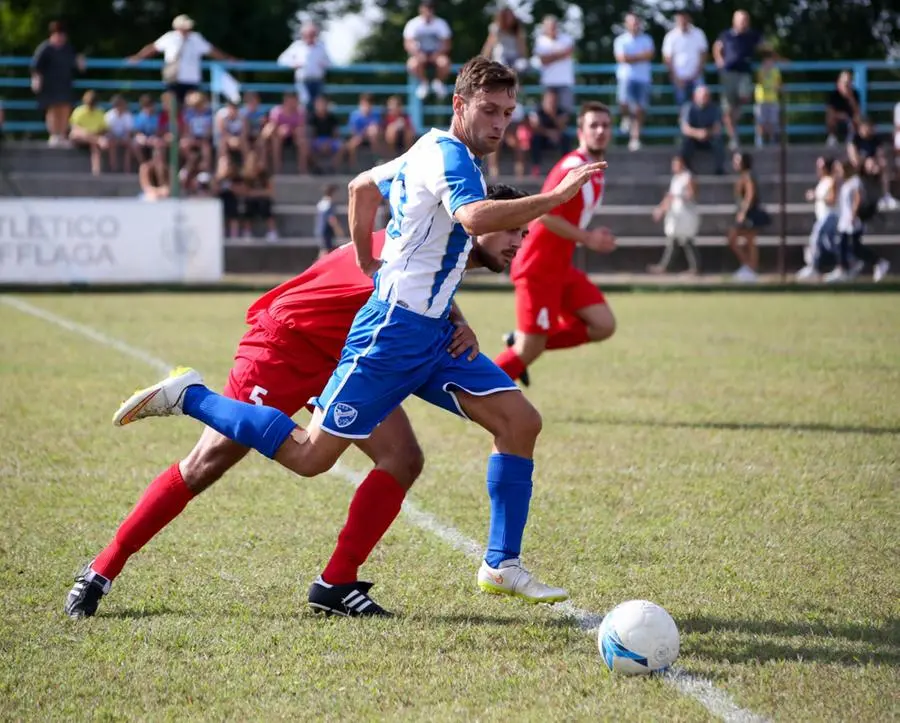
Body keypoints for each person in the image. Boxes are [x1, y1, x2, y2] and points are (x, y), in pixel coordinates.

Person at [104, 57, 606, 616]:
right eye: (490, 110)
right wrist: (556, 198)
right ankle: (190, 397)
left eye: (508, 114)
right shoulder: (450, 159)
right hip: (363, 337)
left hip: (427, 336)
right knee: (306, 458)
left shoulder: (429, 154)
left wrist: (390, 275)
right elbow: (469, 218)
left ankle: (497, 563)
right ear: (460, 105)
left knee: (519, 422)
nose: (500, 124)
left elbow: (362, 185)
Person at [64, 182, 529, 620]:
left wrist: (458, 320)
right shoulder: (424, 242)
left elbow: (426, 289)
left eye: (524, 231)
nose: (519, 240)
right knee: (209, 461)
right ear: (476, 220)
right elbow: (399, 279)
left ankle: (336, 585)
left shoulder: (439, 246)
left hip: (348, 353)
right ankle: (102, 567)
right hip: (285, 341)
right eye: (511, 226)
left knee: (401, 458)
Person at [495, 101, 617, 389]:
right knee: (529, 349)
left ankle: (520, 341)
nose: (600, 131)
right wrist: (587, 238)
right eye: (593, 125)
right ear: (580, 132)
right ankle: (472, 393)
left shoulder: (594, 169)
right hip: (538, 267)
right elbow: (545, 212)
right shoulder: (572, 166)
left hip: (560, 267)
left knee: (603, 325)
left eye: (605, 125)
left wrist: (588, 234)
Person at [129, 15, 234, 107]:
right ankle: (175, 128)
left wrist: (228, 59)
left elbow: (211, 51)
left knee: (193, 104)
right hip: (173, 79)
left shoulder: (196, 38)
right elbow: (153, 48)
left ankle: (186, 128)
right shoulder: (170, 37)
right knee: (172, 106)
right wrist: (138, 57)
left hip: (191, 80)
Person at [712, 10, 771, 150]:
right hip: (728, 74)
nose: (743, 22)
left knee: (743, 100)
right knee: (727, 110)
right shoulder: (726, 35)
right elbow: (717, 47)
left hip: (744, 73)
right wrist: (719, 60)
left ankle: (736, 124)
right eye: (741, 20)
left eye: (745, 20)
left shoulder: (752, 35)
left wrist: (767, 60)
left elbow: (766, 47)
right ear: (734, 21)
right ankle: (733, 138)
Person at [826, 159, 890, 283]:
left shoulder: (855, 181)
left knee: (855, 247)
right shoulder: (845, 182)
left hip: (852, 220)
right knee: (843, 246)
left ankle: (878, 262)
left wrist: (853, 215)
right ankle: (843, 269)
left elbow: (858, 198)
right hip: (844, 221)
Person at [31, 20, 85, 147]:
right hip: (50, 84)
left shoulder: (68, 48)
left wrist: (80, 62)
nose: (61, 38)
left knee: (65, 109)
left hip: (65, 83)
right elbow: (36, 67)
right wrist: (36, 79)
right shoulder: (45, 48)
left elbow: (76, 62)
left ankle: (62, 134)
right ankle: (54, 135)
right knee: (53, 110)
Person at [649, 155, 700, 275]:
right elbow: (669, 197)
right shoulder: (676, 178)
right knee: (673, 240)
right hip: (676, 214)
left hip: (686, 213)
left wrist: (679, 197)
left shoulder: (687, 177)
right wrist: (661, 209)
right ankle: (665, 266)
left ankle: (695, 267)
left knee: (686, 240)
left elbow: (692, 194)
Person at [613, 13, 655, 152]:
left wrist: (631, 57)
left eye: (636, 22)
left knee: (639, 109)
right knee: (623, 102)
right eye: (631, 22)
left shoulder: (647, 39)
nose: (634, 25)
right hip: (626, 77)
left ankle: (635, 138)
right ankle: (625, 118)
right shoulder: (620, 40)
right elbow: (621, 58)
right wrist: (641, 56)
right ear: (626, 24)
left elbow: (649, 55)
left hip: (643, 78)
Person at [727, 151, 770, 282]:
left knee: (740, 239)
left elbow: (750, 195)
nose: (735, 163)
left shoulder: (748, 176)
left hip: (750, 213)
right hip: (747, 212)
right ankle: (749, 267)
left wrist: (743, 212)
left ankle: (750, 268)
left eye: (737, 161)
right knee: (747, 241)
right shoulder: (743, 176)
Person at [796, 156, 839, 281]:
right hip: (822, 217)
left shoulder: (832, 181)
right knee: (830, 244)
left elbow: (832, 200)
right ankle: (849, 261)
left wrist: (817, 196)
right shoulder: (823, 181)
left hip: (829, 216)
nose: (818, 169)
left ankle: (813, 267)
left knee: (815, 239)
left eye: (821, 166)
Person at [403, 0, 453, 100]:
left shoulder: (441, 23)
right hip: (419, 55)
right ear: (421, 9)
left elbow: (447, 44)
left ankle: (438, 83)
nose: (428, 11)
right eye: (426, 8)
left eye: (430, 9)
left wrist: (437, 54)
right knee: (412, 65)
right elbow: (407, 44)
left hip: (437, 55)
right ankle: (424, 83)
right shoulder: (413, 24)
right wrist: (418, 54)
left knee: (445, 63)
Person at [847, 118, 899, 211]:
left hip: (873, 165)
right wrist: (866, 162)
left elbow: (880, 154)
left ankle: (886, 196)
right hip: (859, 167)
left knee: (884, 164)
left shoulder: (875, 139)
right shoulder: (854, 139)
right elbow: (854, 160)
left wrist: (876, 162)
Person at [277, 22, 331, 111]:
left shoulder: (321, 47)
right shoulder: (297, 46)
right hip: (302, 81)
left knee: (318, 105)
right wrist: (293, 64)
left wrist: (324, 64)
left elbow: (330, 62)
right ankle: (305, 124)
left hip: (318, 81)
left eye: (313, 34)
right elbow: (281, 60)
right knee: (305, 103)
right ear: (303, 35)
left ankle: (313, 124)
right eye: (309, 34)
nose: (311, 36)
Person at [662, 11, 708, 109]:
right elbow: (667, 58)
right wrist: (675, 77)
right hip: (679, 77)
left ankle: (699, 124)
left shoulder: (698, 33)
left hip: (696, 77)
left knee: (701, 105)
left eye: (684, 18)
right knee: (682, 106)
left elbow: (703, 54)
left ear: (689, 19)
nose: (682, 21)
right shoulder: (670, 36)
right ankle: (684, 124)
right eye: (680, 18)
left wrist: (697, 73)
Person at [532, 15, 576, 114]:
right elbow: (543, 60)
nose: (552, 28)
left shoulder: (567, 38)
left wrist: (550, 56)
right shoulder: (540, 41)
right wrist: (560, 54)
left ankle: (560, 129)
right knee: (548, 112)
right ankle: (553, 130)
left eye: (554, 25)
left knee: (565, 112)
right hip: (548, 83)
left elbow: (568, 52)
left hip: (565, 82)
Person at [679, 85, 725, 175]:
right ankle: (686, 169)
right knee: (686, 143)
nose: (704, 98)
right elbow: (685, 128)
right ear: (695, 96)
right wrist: (698, 133)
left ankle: (719, 169)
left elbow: (717, 128)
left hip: (708, 138)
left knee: (718, 141)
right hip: (693, 138)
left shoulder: (714, 108)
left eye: (706, 96)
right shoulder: (688, 107)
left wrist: (706, 133)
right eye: (702, 96)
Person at [262, 92, 309, 174]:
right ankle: (277, 168)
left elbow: (301, 127)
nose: (292, 104)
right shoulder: (277, 111)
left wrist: (292, 130)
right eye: (290, 101)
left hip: (293, 136)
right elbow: (272, 126)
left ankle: (302, 169)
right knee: (276, 140)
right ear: (285, 101)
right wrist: (281, 130)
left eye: (294, 101)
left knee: (302, 141)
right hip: (278, 136)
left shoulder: (300, 112)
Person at [528, 89, 570, 173]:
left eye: (554, 99)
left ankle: (567, 166)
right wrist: (548, 133)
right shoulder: (537, 111)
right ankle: (536, 166)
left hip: (556, 136)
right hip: (543, 136)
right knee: (535, 139)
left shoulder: (561, 111)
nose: (552, 101)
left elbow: (562, 127)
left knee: (566, 138)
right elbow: (534, 128)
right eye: (550, 99)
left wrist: (553, 115)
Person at [69, 90, 108, 176]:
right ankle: (97, 140)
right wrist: (91, 135)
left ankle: (96, 172)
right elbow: (74, 128)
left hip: (93, 139)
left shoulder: (99, 112)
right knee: (80, 133)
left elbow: (103, 129)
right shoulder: (78, 111)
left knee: (95, 147)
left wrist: (94, 135)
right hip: (79, 138)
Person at [240, 151, 277, 242]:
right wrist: (259, 193)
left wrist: (256, 193)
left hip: (263, 199)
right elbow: (245, 192)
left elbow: (270, 191)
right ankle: (247, 231)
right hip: (251, 199)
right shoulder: (246, 176)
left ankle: (272, 231)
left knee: (265, 205)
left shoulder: (264, 174)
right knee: (249, 205)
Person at [481, 7, 529, 72]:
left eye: (511, 16)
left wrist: (523, 58)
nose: (510, 19)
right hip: (501, 56)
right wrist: (483, 60)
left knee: (522, 65)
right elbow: (489, 45)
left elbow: (522, 47)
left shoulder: (517, 29)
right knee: (500, 64)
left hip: (514, 57)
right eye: (508, 16)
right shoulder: (497, 28)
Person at [308, 95, 345, 174]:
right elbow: (311, 134)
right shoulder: (312, 118)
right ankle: (317, 167)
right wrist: (320, 144)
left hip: (330, 140)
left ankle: (332, 168)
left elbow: (336, 134)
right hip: (316, 141)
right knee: (307, 146)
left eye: (323, 103)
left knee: (341, 146)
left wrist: (328, 142)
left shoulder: (332, 118)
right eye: (319, 104)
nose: (321, 106)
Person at [346, 94, 383, 169]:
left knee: (375, 137)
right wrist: (364, 133)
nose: (366, 107)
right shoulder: (355, 116)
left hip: (371, 138)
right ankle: (352, 166)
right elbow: (353, 132)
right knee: (353, 144)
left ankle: (377, 160)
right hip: (359, 137)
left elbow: (378, 130)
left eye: (369, 104)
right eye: (364, 104)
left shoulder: (375, 115)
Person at [753, 51, 781, 147]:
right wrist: (765, 72)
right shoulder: (760, 70)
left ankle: (772, 140)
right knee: (760, 121)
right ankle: (759, 140)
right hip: (761, 100)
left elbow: (778, 84)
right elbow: (759, 81)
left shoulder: (776, 71)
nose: (768, 63)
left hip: (773, 100)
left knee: (772, 122)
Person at [181, 91, 214, 172]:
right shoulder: (189, 114)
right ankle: (191, 161)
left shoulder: (209, 113)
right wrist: (191, 138)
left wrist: (203, 138)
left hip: (204, 138)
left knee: (205, 146)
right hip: (193, 137)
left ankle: (206, 168)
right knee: (183, 144)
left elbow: (209, 130)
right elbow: (187, 129)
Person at [825, 71, 860, 146]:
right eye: (845, 83)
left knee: (857, 119)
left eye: (849, 82)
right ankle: (832, 137)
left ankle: (853, 141)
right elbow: (830, 112)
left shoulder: (855, 94)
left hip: (850, 119)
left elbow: (857, 111)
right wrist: (841, 116)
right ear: (839, 83)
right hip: (838, 119)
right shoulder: (834, 95)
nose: (846, 85)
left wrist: (851, 98)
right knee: (830, 118)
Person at [103, 94, 135, 173]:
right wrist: (115, 138)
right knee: (112, 143)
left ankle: (127, 169)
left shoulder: (127, 115)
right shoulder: (109, 115)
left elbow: (129, 131)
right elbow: (107, 130)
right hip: (112, 138)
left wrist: (125, 139)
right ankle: (114, 168)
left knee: (129, 144)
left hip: (123, 138)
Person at [215, 154, 244, 238]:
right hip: (219, 201)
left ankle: (234, 235)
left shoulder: (236, 177)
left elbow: (242, 190)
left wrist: (231, 187)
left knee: (232, 209)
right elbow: (213, 190)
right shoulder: (217, 178)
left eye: (227, 164)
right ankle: (220, 235)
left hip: (232, 200)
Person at [315, 183, 344, 259]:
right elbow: (331, 219)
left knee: (323, 251)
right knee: (325, 252)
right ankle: (317, 269)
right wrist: (338, 230)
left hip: (320, 230)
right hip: (326, 232)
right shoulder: (330, 203)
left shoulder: (322, 202)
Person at [131, 94, 161, 165]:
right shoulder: (139, 117)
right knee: (136, 144)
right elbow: (136, 132)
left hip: (153, 137)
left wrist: (153, 137)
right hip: (143, 137)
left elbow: (158, 131)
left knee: (158, 143)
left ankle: (156, 164)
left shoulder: (156, 117)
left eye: (151, 105)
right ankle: (143, 164)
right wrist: (144, 138)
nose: (150, 108)